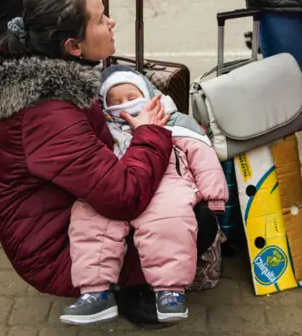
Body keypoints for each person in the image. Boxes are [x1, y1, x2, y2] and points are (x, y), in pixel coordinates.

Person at [0, 0, 220, 329]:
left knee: (171, 194)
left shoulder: (58, 76)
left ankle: (130, 276)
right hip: (53, 249)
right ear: (73, 47)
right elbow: (124, 197)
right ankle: (127, 291)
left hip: (67, 210)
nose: (111, 22)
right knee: (197, 218)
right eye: (100, 19)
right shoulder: (49, 112)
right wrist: (149, 133)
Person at [62, 65, 227, 325]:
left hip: (167, 184)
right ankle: (94, 292)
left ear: (149, 94)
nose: (123, 105)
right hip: (116, 184)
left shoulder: (174, 121)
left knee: (169, 222)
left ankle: (170, 290)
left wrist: (215, 194)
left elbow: (202, 155)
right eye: (113, 101)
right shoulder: (104, 130)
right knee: (89, 219)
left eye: (131, 96)